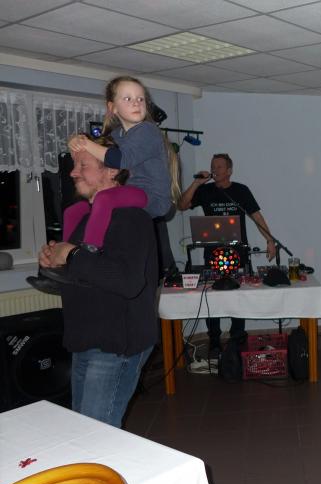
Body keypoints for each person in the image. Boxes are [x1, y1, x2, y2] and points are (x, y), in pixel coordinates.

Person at [38, 136, 158, 428]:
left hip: (115, 345)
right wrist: (52, 261)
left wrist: (73, 254)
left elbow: (128, 282)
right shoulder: (86, 218)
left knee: (96, 436)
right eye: (74, 165)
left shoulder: (131, 218)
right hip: (86, 340)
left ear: (112, 170)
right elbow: (85, 274)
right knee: (86, 430)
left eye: (83, 165)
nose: (73, 172)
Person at [28, 75, 178, 294]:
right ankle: (62, 267)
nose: (136, 103)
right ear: (112, 107)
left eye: (140, 99)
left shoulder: (147, 131)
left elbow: (118, 159)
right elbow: (98, 149)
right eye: (127, 98)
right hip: (131, 192)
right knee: (74, 210)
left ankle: (89, 252)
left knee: (104, 198)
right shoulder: (118, 134)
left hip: (151, 196)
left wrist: (86, 144)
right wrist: (75, 141)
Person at [178, 153, 277, 355]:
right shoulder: (204, 190)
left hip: (238, 252)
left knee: (238, 294)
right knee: (211, 295)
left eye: (219, 167)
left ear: (229, 171)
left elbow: (256, 216)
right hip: (213, 253)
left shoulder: (241, 190)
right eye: (213, 166)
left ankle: (237, 337)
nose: (215, 170)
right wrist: (196, 183)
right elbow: (181, 205)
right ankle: (214, 339)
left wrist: (270, 240)